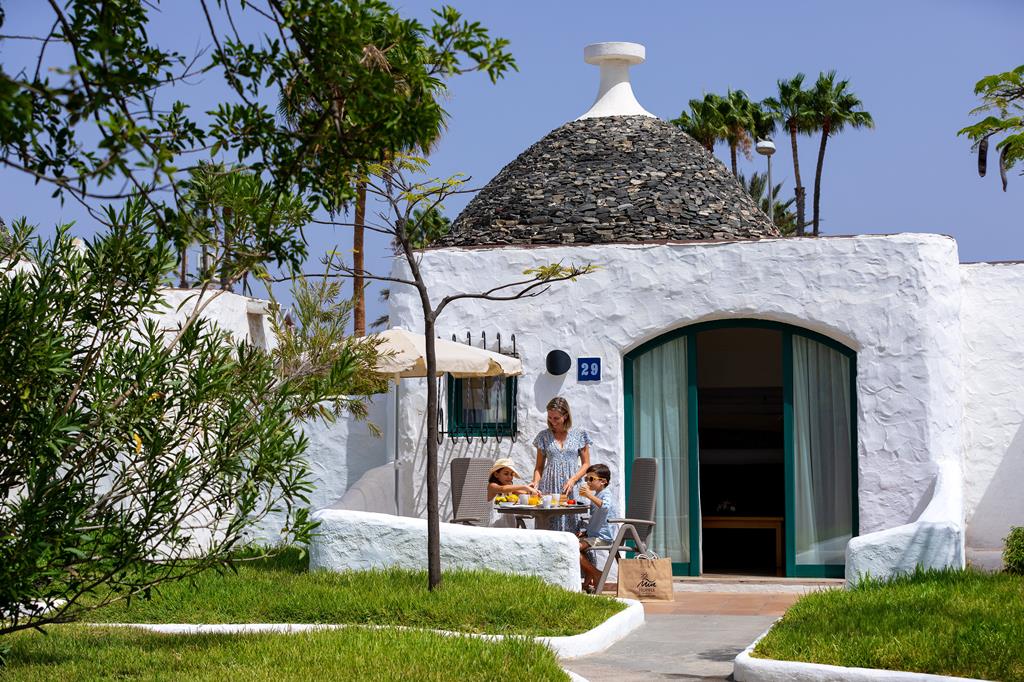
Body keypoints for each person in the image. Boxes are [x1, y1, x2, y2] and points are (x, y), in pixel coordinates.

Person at [530, 396, 591, 531]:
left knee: (575, 526)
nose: (552, 421)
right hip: (550, 487)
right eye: (550, 417)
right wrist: (535, 483)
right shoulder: (543, 436)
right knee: (550, 526)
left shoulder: (579, 434)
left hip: (572, 487)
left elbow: (586, 464)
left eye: (556, 418)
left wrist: (573, 480)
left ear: (566, 415)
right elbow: (539, 467)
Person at [576, 463, 619, 593]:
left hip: (603, 537)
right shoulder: (598, 494)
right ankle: (589, 579)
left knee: (573, 548)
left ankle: (596, 573)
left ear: (603, 481)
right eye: (586, 479)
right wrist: (586, 532)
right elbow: (596, 519)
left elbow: (605, 507)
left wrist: (589, 495)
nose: (588, 482)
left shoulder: (606, 493)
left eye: (591, 479)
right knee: (572, 544)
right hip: (594, 536)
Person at [487, 458, 538, 528]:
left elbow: (523, 492)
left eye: (511, 474)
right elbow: (502, 489)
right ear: (496, 474)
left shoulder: (510, 489)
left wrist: (531, 490)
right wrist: (524, 487)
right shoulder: (492, 486)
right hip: (495, 527)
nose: (509, 477)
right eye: (506, 474)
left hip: (511, 527)